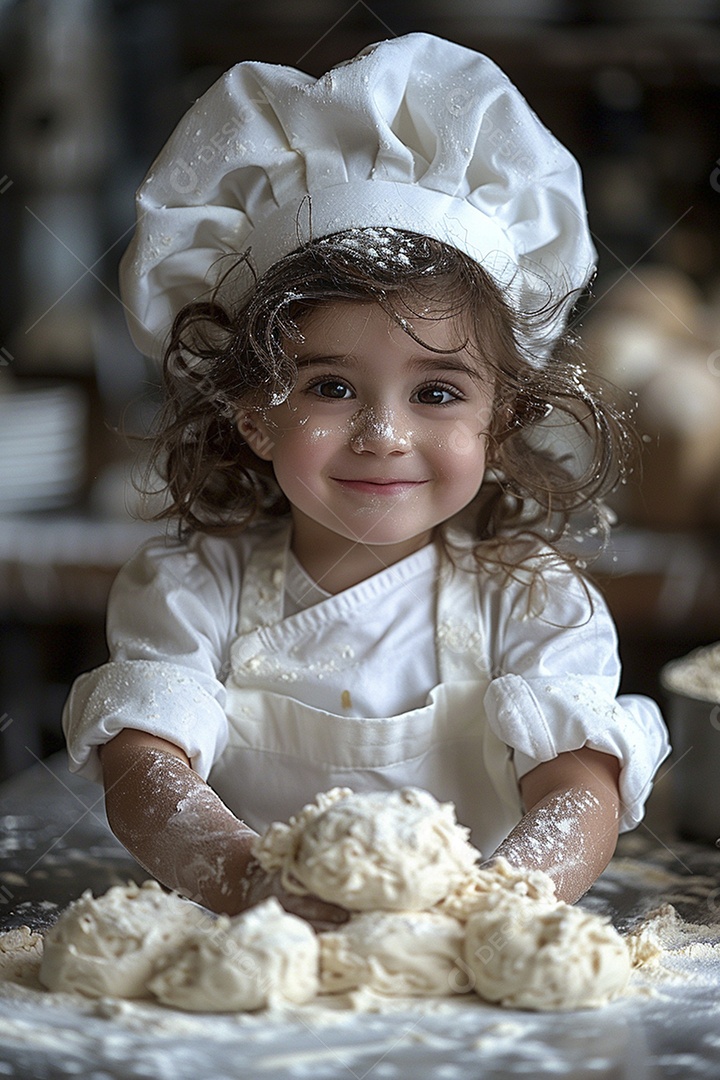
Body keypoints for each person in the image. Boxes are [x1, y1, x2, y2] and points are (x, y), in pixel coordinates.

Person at [64, 33, 669, 924]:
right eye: (331, 387)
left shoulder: (533, 604)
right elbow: (146, 774)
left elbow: (579, 791)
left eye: (435, 391)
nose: (384, 436)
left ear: (498, 423)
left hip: (468, 979)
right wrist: (260, 888)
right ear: (253, 413)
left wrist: (492, 911)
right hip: (253, 970)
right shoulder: (196, 593)